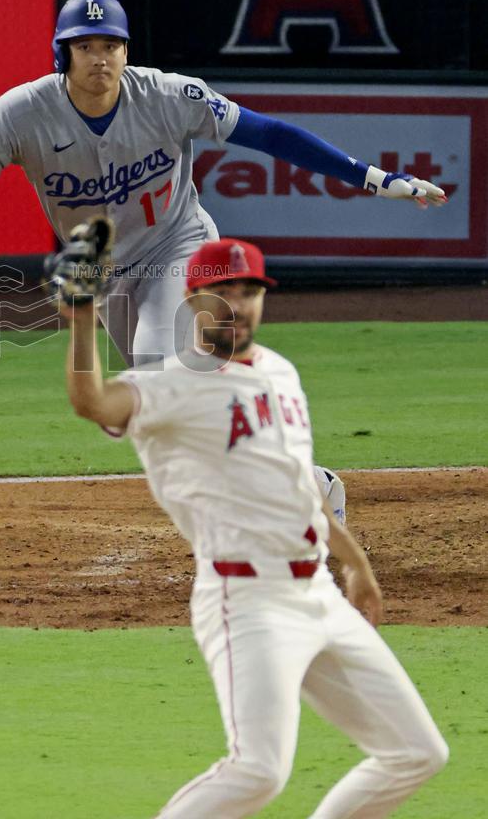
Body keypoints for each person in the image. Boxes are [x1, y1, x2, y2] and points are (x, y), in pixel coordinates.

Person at [48, 226, 448, 818]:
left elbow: (299, 486)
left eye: (250, 290)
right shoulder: (173, 384)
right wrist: (82, 316)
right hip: (247, 599)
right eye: (224, 290)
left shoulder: (283, 373)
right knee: (258, 770)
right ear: (193, 301)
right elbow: (93, 402)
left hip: (318, 593)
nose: (238, 303)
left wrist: (356, 563)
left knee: (417, 751)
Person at [0, 0, 447, 368]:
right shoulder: (21, 113)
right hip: (106, 270)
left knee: (164, 368)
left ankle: (284, 496)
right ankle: (305, 481)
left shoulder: (169, 96)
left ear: (126, 50)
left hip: (179, 244)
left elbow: (270, 135)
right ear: (63, 55)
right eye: (85, 46)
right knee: (174, 397)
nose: (100, 58)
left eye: (110, 45)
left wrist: (372, 177)